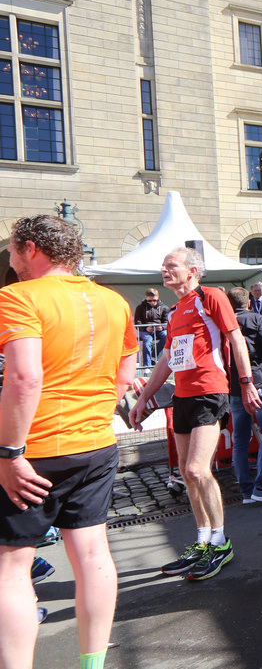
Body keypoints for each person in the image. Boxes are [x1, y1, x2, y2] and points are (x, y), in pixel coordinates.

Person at [0, 215, 139, 669]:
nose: (11, 260)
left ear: (32, 248)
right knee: (93, 553)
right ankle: (92, 664)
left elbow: (24, 377)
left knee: (11, 567)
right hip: (96, 443)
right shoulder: (114, 301)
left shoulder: (18, 296)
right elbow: (126, 370)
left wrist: (9, 454)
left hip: (35, 450)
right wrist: (95, 411)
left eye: (13, 251)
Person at [129, 247, 262, 581]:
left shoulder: (211, 296)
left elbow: (236, 340)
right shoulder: (174, 310)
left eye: (171, 265)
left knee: (197, 469)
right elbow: (166, 359)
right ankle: (203, 540)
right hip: (182, 396)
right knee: (185, 474)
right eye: (163, 265)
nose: (164, 269)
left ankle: (220, 541)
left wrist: (246, 382)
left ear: (192, 270)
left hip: (209, 392)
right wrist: (143, 398)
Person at [225, 288, 262, 505]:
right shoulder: (257, 319)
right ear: (249, 303)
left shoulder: (224, 321)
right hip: (258, 380)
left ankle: (246, 491)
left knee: (240, 441)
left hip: (234, 385)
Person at [134, 286, 169, 366]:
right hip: (145, 330)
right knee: (147, 341)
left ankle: (153, 356)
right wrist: (146, 328)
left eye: (154, 300)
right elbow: (137, 322)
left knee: (166, 336)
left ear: (158, 297)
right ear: (146, 298)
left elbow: (167, 322)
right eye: (150, 301)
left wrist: (162, 327)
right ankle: (147, 366)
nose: (152, 302)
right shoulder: (140, 308)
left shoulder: (164, 308)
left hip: (159, 329)